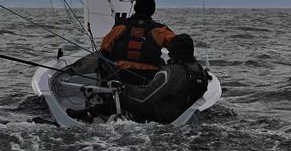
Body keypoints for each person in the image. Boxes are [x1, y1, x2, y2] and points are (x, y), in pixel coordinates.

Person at [68, 33, 210, 124]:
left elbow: (144, 98)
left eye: (171, 52)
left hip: (161, 116)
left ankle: (86, 113)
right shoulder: (200, 72)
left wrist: (124, 88)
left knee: (121, 98)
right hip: (179, 114)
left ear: (175, 53)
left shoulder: (170, 73)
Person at [98, 0, 175, 84]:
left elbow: (104, 49)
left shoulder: (120, 27)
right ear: (152, 10)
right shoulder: (159, 30)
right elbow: (180, 45)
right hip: (150, 78)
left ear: (135, 7)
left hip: (121, 75)